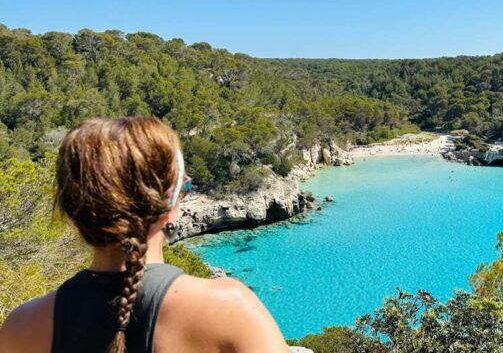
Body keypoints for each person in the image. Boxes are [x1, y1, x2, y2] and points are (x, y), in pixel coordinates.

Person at [0, 117, 289, 353]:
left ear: (72, 209)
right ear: (170, 208)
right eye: (184, 188)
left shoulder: (23, 325)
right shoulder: (229, 308)